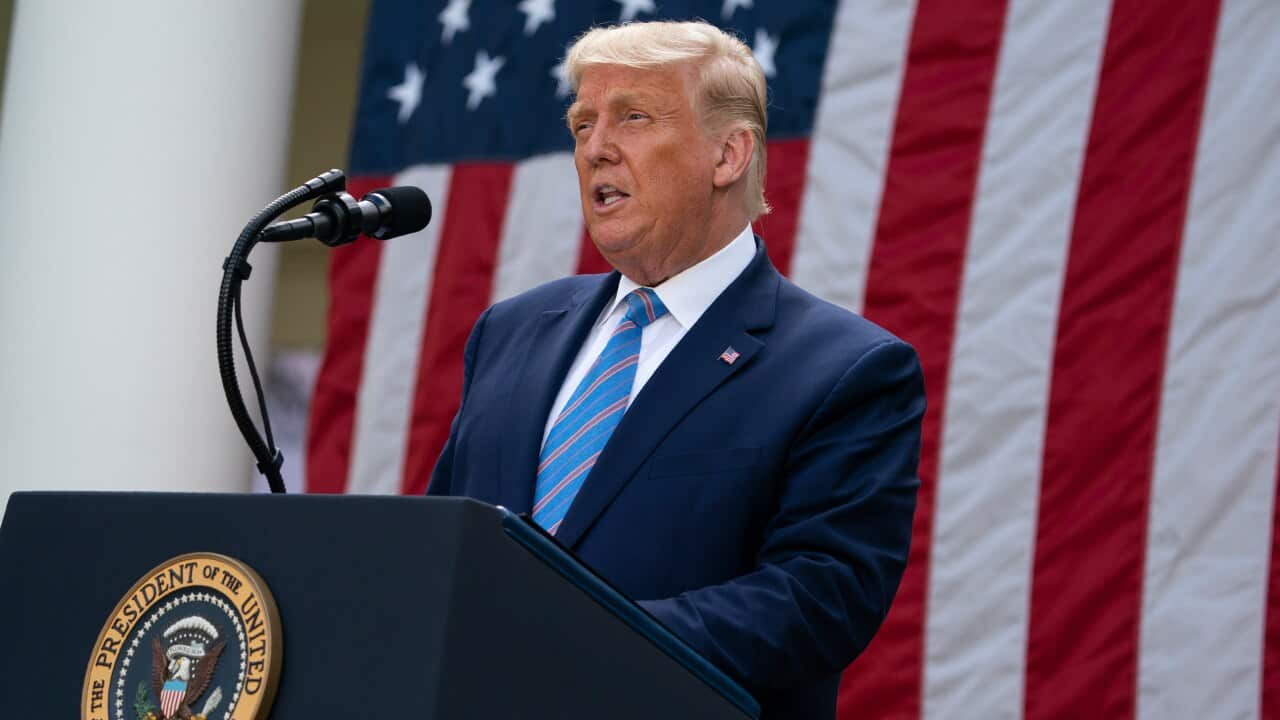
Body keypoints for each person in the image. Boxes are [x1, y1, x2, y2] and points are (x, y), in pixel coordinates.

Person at [427, 20, 925, 719]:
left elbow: (821, 596)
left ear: (728, 154)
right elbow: (446, 540)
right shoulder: (510, 332)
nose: (596, 148)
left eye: (633, 117)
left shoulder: (846, 370)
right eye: (581, 124)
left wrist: (581, 639)